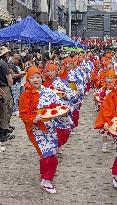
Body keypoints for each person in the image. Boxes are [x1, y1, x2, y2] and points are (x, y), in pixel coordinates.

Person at [19, 66, 67, 194]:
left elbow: (59, 105)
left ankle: (46, 176)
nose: (35, 79)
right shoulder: (26, 95)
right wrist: (34, 118)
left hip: (50, 127)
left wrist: (64, 110)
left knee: (52, 154)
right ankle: (46, 180)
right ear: (28, 79)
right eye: (32, 77)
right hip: (36, 129)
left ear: (41, 77)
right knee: (47, 154)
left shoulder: (50, 91)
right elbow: (23, 113)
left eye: (37, 76)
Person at [0, 46, 15, 141]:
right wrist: (10, 88)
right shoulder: (3, 64)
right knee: (4, 110)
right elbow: (9, 79)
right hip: (4, 88)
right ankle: (3, 132)